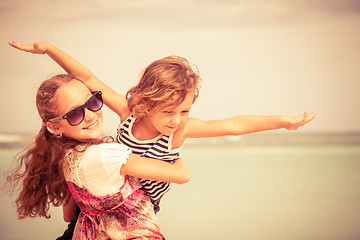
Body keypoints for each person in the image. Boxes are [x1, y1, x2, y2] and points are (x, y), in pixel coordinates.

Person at [5, 74, 190, 239]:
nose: (90, 116)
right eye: (75, 114)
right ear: (54, 126)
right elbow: (182, 175)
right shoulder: (105, 156)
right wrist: (170, 147)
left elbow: (68, 216)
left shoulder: (66, 157)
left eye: (91, 102)